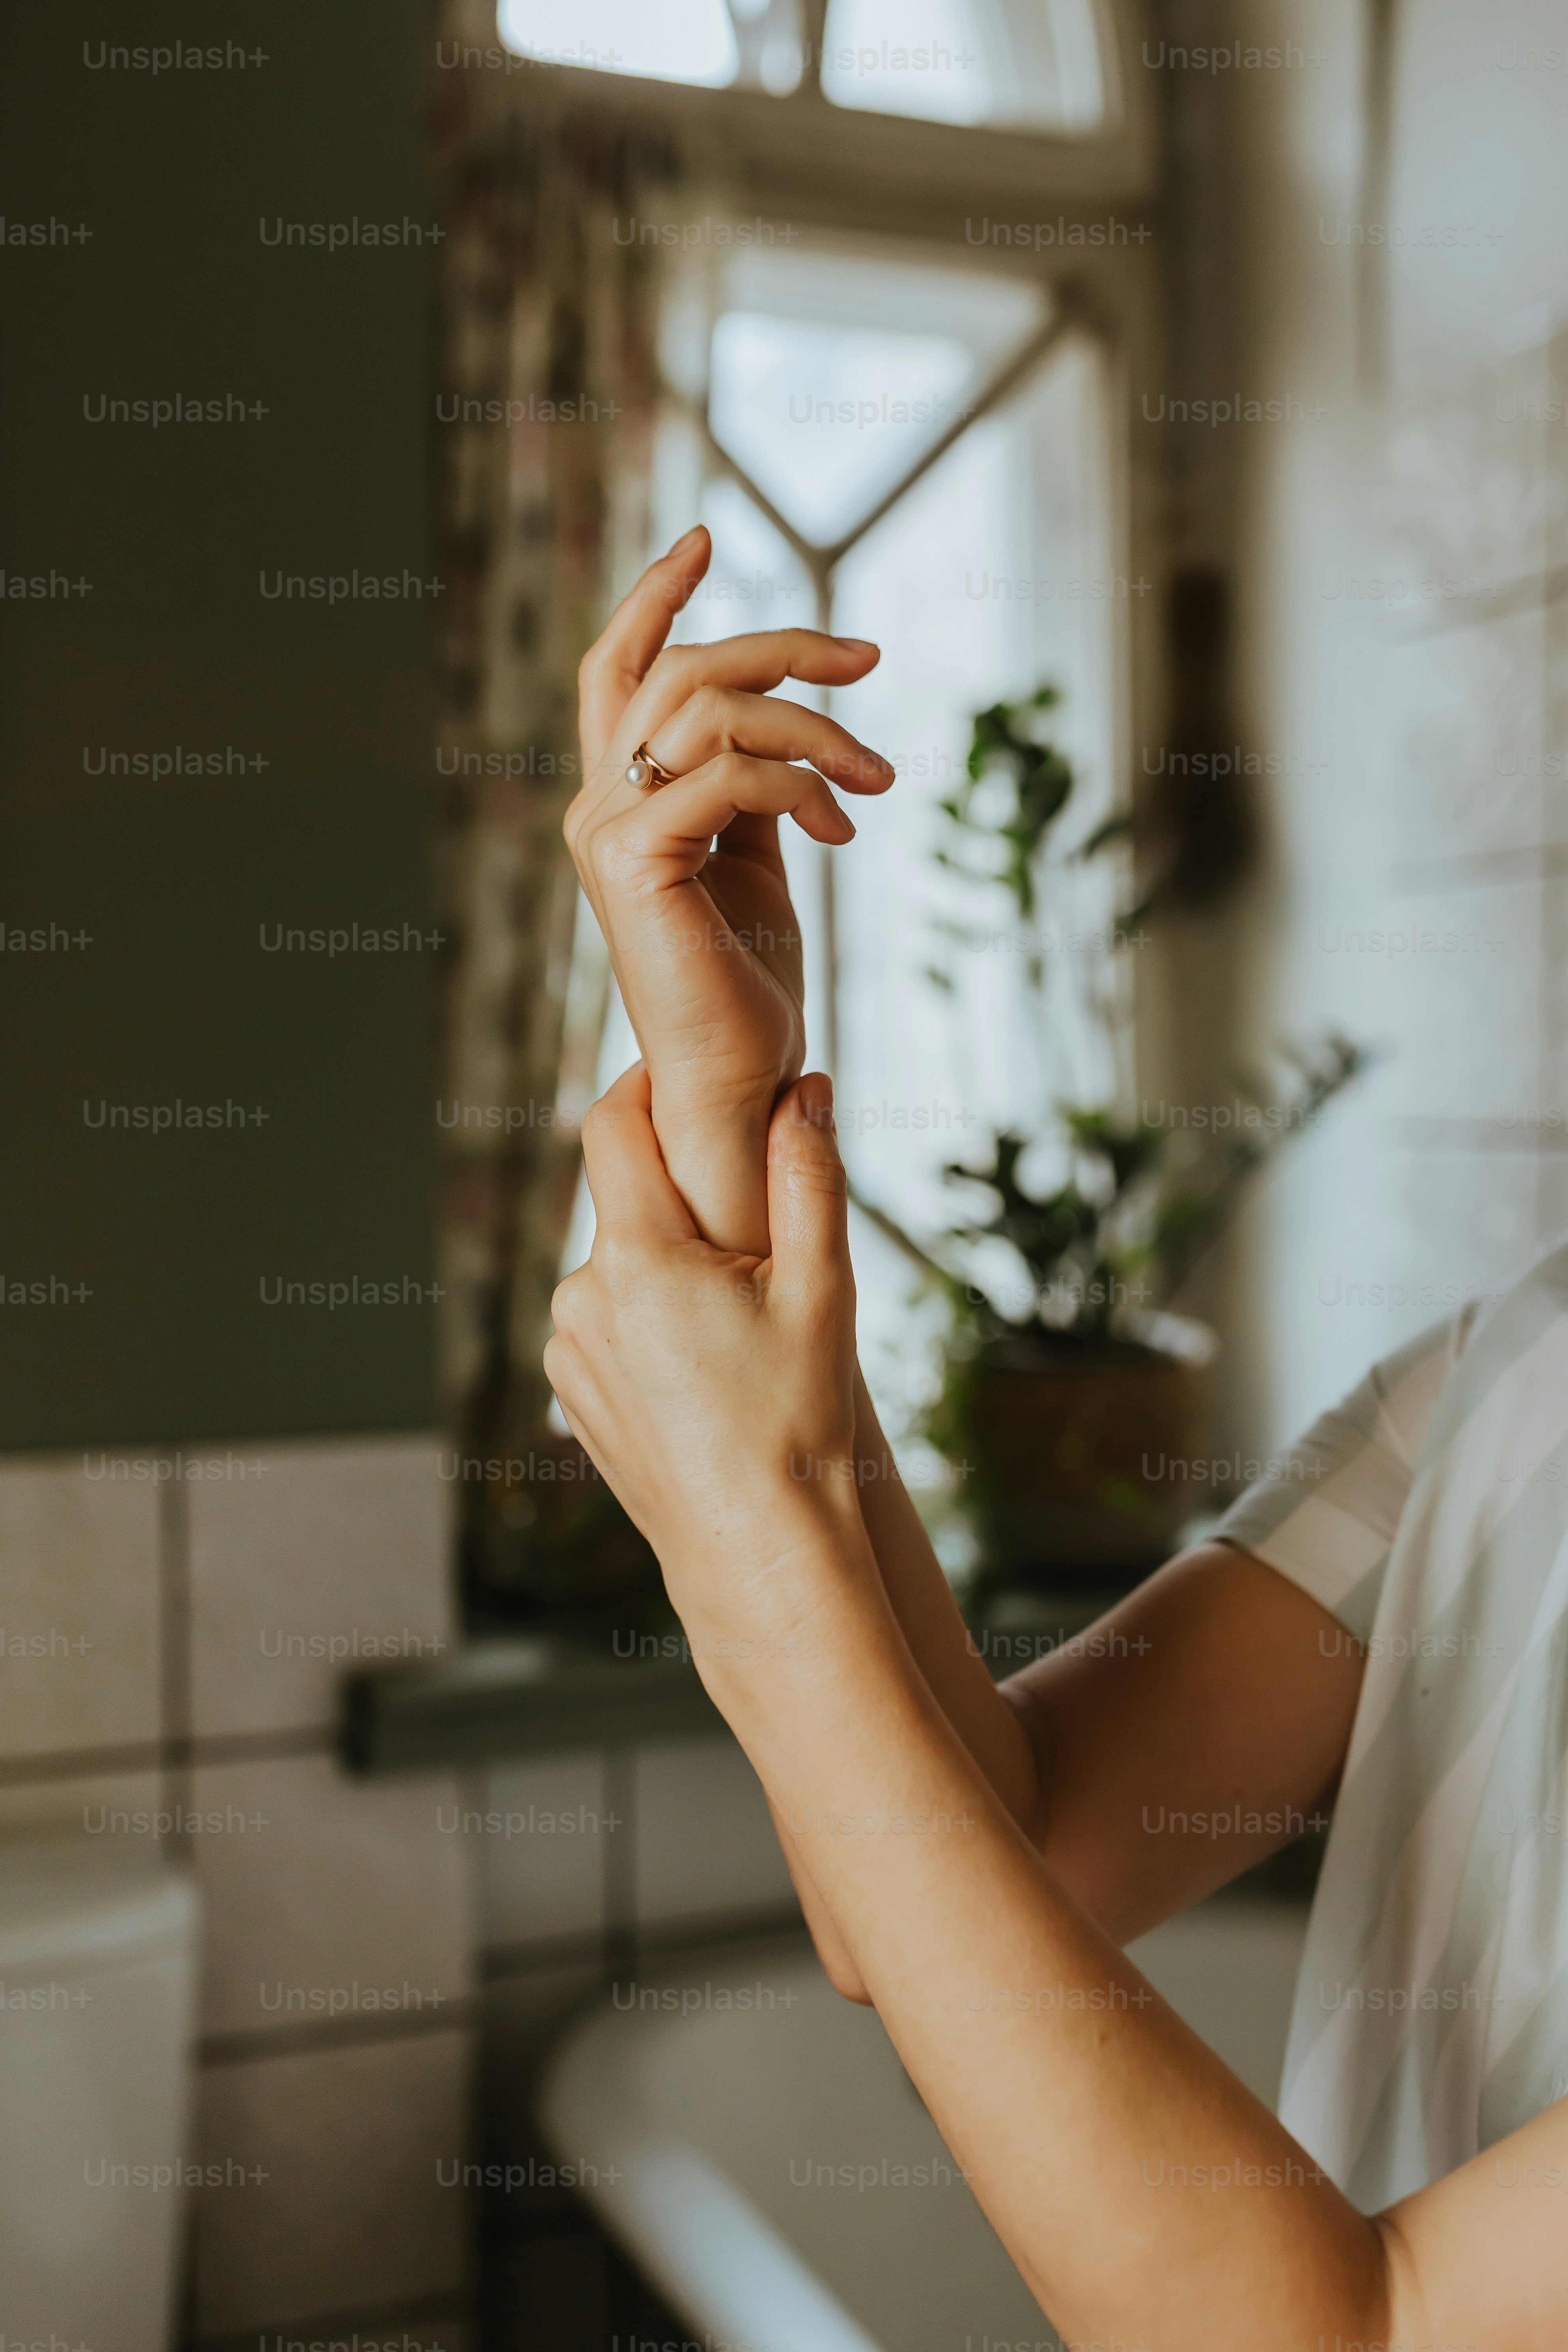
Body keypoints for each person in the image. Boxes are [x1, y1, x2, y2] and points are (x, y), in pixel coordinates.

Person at [548, 524, 1566, 2350]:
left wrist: (749, 1537)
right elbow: (984, 1853)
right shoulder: (1516, 1369)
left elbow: (1345, 2335)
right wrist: (734, 1121)